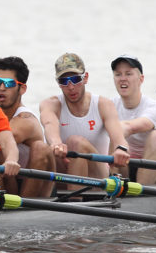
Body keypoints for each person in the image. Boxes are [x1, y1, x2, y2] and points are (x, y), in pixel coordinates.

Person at [40, 52, 130, 180]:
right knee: (41, 148)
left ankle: (75, 198)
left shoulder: (103, 104)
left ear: (85, 78)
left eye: (76, 80)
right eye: (64, 81)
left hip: (97, 176)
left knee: (75, 142)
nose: (70, 87)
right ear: (58, 83)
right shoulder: (50, 105)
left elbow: (119, 138)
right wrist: (56, 143)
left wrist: (121, 149)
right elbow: (49, 124)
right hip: (63, 171)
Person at [0, 56, 55, 197]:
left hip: (35, 185)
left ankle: (23, 209)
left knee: (39, 147)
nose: (1, 88)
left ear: (22, 89)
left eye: (9, 83)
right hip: (7, 180)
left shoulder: (26, 120)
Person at [110, 54, 156, 185]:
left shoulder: (154, 108)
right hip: (124, 166)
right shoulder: (109, 106)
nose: (123, 79)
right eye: (118, 74)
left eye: (128, 74)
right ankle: (116, 188)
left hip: (153, 171)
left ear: (141, 79)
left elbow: (130, 127)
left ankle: (140, 194)